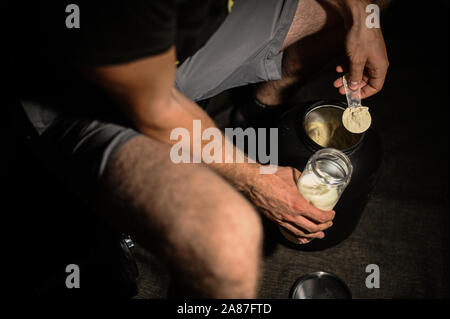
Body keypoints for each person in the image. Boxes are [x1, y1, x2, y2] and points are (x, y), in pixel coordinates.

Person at [9, 0, 388, 298]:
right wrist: (256, 179)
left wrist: (361, 16)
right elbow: (156, 107)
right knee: (226, 239)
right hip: (86, 96)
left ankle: (262, 105)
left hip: (181, 38)